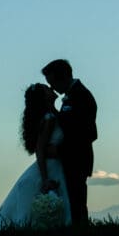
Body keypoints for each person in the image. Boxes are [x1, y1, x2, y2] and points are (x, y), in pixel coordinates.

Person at [0, 83, 72, 229]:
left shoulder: (54, 115)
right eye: (47, 89)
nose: (51, 89)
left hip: (56, 164)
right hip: (50, 167)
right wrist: (45, 179)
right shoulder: (49, 118)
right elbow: (40, 149)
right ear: (44, 97)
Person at [42, 59, 97, 225]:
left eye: (53, 83)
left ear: (64, 77)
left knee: (76, 200)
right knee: (72, 199)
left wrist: (59, 150)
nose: (52, 88)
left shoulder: (81, 96)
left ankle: (80, 229)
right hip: (70, 158)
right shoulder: (71, 96)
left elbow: (85, 132)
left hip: (77, 158)